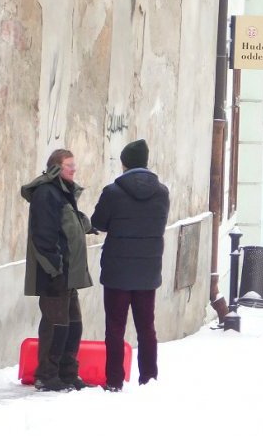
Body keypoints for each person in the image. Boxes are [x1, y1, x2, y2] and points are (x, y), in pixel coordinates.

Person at [91, 139, 170, 391]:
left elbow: (99, 222)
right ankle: (149, 378)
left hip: (117, 272)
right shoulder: (162, 192)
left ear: (124, 163)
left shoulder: (112, 192)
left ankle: (114, 381)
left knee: (115, 327)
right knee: (146, 326)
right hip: (148, 271)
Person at [22, 149, 94, 392]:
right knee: (56, 326)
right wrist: (54, 270)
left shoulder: (63, 192)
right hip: (55, 275)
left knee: (73, 325)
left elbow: (67, 225)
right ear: (55, 168)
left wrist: (86, 224)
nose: (74, 169)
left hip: (69, 275)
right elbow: (43, 236)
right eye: (69, 165)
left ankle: (67, 373)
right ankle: (47, 375)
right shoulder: (46, 193)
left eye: (74, 164)